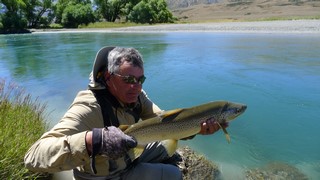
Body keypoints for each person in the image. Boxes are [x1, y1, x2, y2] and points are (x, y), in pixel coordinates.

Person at [24, 46, 227, 180]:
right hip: (107, 174)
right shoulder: (88, 107)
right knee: (175, 175)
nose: (136, 87)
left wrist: (194, 129)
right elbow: (34, 156)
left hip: (130, 154)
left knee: (168, 149)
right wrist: (94, 140)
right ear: (108, 77)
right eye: (129, 79)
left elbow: (163, 120)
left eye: (141, 80)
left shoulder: (137, 96)